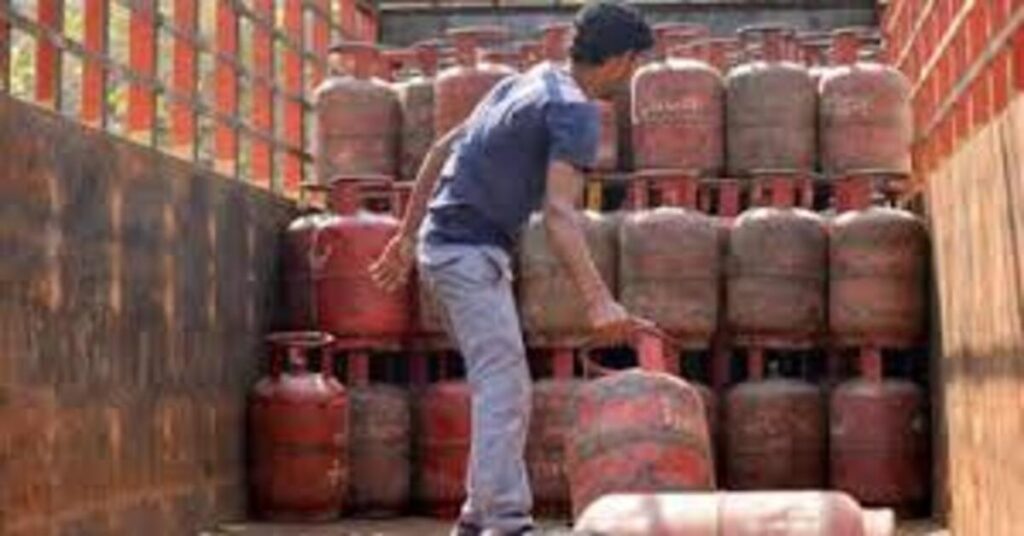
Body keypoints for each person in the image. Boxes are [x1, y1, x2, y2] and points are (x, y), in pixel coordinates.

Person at [370, 2, 654, 534]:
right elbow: (559, 214)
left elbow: (438, 151)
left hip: (447, 248)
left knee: (499, 380)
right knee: (505, 385)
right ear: (621, 60)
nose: (632, 76)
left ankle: (481, 517)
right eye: (635, 65)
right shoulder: (574, 111)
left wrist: (407, 236)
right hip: (468, 252)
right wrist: (599, 300)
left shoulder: (529, 82)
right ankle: (504, 521)